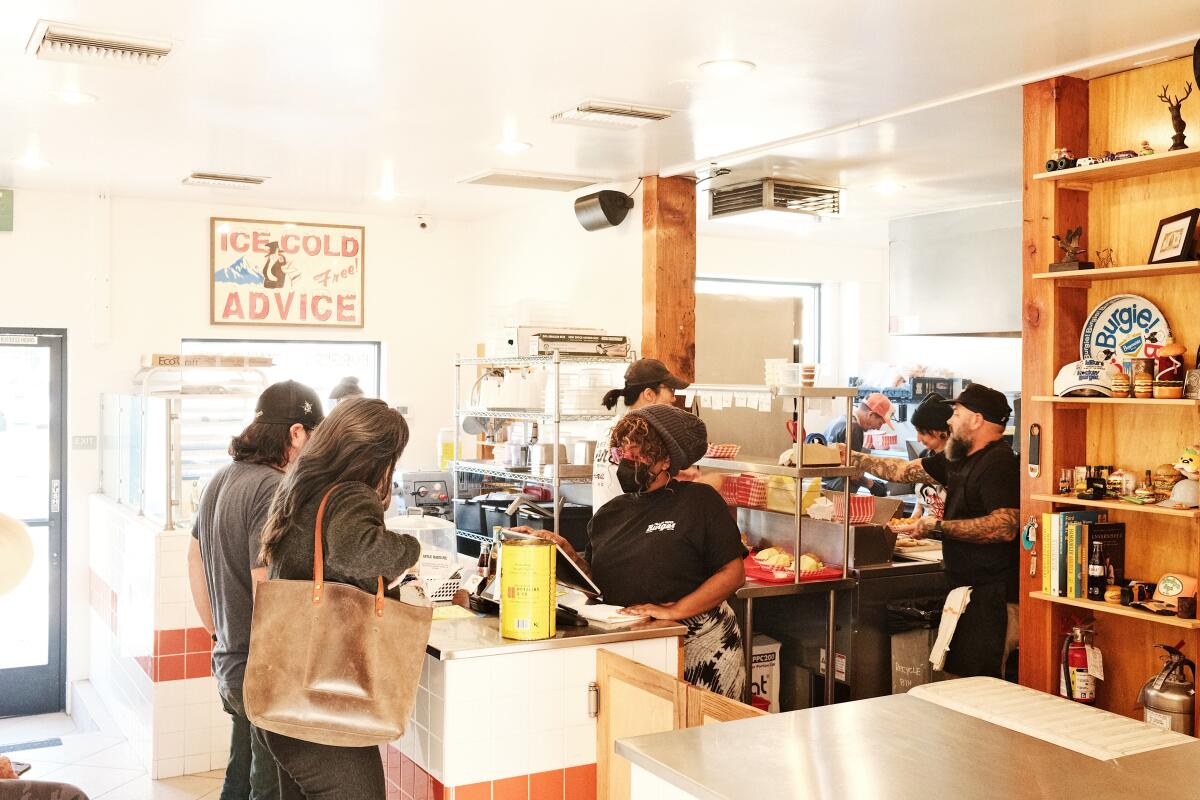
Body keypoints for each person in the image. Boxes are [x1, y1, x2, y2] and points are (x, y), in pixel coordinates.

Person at [257, 398, 421, 800]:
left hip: (284, 702)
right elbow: (356, 551)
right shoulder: (350, 494)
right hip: (324, 710)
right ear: (378, 456)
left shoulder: (300, 487)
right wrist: (410, 548)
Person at [527, 404, 748, 698]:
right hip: (641, 642)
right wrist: (566, 553)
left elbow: (733, 574)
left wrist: (675, 611)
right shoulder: (610, 512)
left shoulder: (698, 501)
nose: (628, 458)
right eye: (622, 450)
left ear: (666, 459)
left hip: (703, 646)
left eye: (639, 450)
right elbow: (598, 583)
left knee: (700, 739)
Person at [188, 380, 324, 800]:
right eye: (315, 435)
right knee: (268, 789)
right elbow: (264, 582)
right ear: (296, 433)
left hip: (230, 661)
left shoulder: (222, 478)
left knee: (239, 774)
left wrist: (218, 630)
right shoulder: (271, 487)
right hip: (260, 672)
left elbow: (193, 557)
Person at [843, 384, 1019, 678]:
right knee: (960, 683)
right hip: (966, 595)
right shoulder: (959, 457)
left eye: (956, 413)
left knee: (983, 688)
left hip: (994, 601)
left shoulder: (998, 463)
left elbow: (1005, 526)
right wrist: (849, 457)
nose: (949, 421)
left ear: (976, 419)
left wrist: (936, 526)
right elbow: (902, 471)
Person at [593, 358, 691, 511]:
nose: (673, 398)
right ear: (649, 394)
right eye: (671, 390)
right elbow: (644, 487)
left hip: (608, 526)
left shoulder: (612, 427)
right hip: (626, 526)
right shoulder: (634, 435)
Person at [822, 392, 894, 496]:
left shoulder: (839, 420)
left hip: (825, 485)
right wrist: (872, 485)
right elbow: (853, 474)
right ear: (871, 415)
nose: (878, 428)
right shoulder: (854, 428)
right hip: (838, 489)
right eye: (880, 423)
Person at [909, 392, 952, 520]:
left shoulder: (956, 461)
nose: (918, 439)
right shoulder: (924, 455)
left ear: (939, 431)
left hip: (949, 532)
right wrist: (916, 514)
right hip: (926, 533)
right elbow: (922, 497)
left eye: (921, 432)